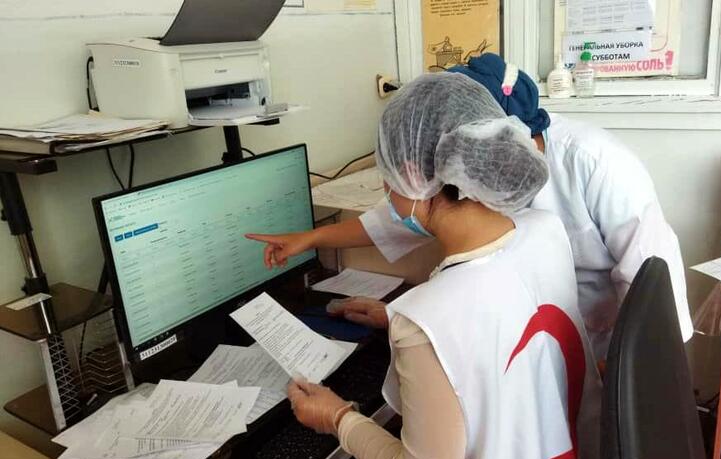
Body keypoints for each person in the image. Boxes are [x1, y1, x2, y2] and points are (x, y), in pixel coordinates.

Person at [247, 54, 693, 360]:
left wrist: (618, 386)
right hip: (521, 346)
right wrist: (312, 238)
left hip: (601, 353)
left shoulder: (599, 164)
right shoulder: (465, 188)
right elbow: (400, 220)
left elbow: (656, 293)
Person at [253, 73, 602, 459]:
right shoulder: (546, 230)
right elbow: (505, 320)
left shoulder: (426, 319)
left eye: (386, 177)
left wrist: (337, 418)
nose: (386, 190)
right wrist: (395, 318)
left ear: (414, 175)